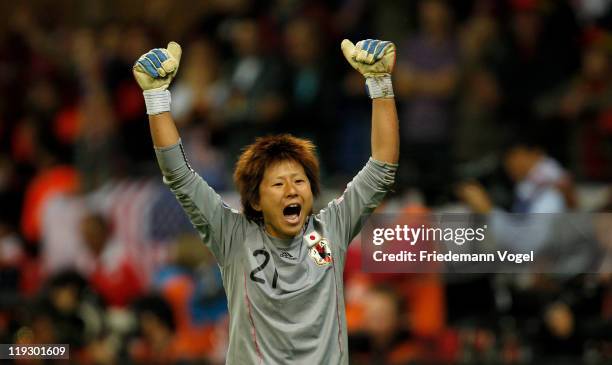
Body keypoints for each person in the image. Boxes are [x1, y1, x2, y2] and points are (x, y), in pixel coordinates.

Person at [132, 39, 399, 364]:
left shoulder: (328, 233)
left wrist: (380, 83)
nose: (292, 190)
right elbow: (179, 175)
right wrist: (156, 98)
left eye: (299, 181)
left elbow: (382, 168)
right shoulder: (232, 236)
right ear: (256, 201)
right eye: (278, 183)